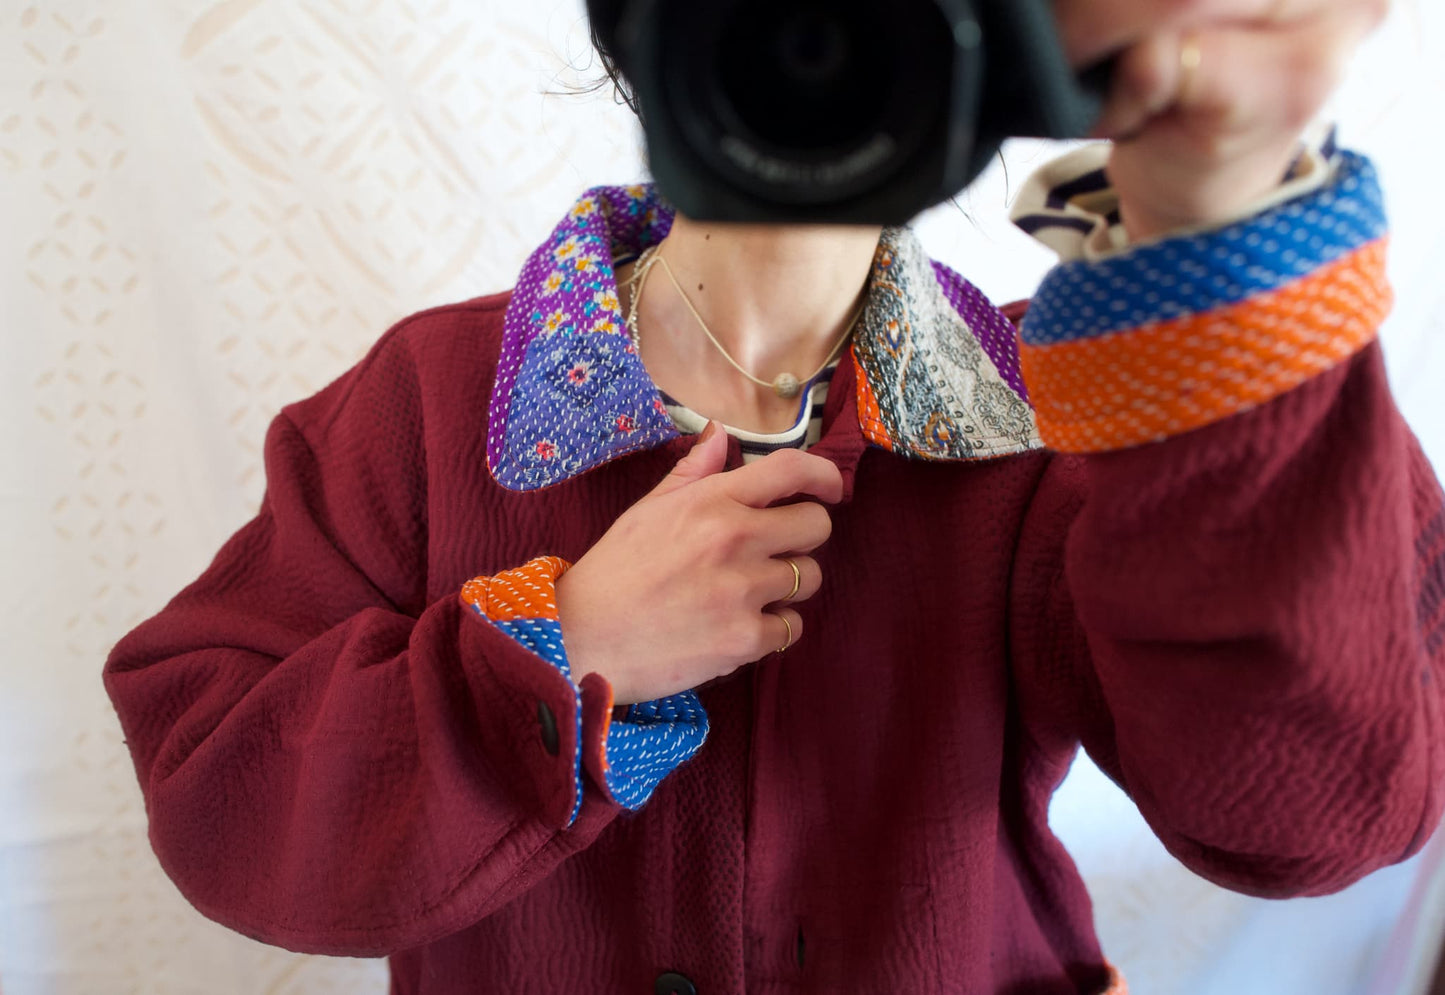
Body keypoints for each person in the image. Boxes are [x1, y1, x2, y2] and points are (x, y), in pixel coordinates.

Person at [104, 0, 1444, 992]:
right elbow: (222, 807)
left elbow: (1318, 816)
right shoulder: (428, 404)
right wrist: (564, 646)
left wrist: (1220, 231)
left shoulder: (1061, 412)